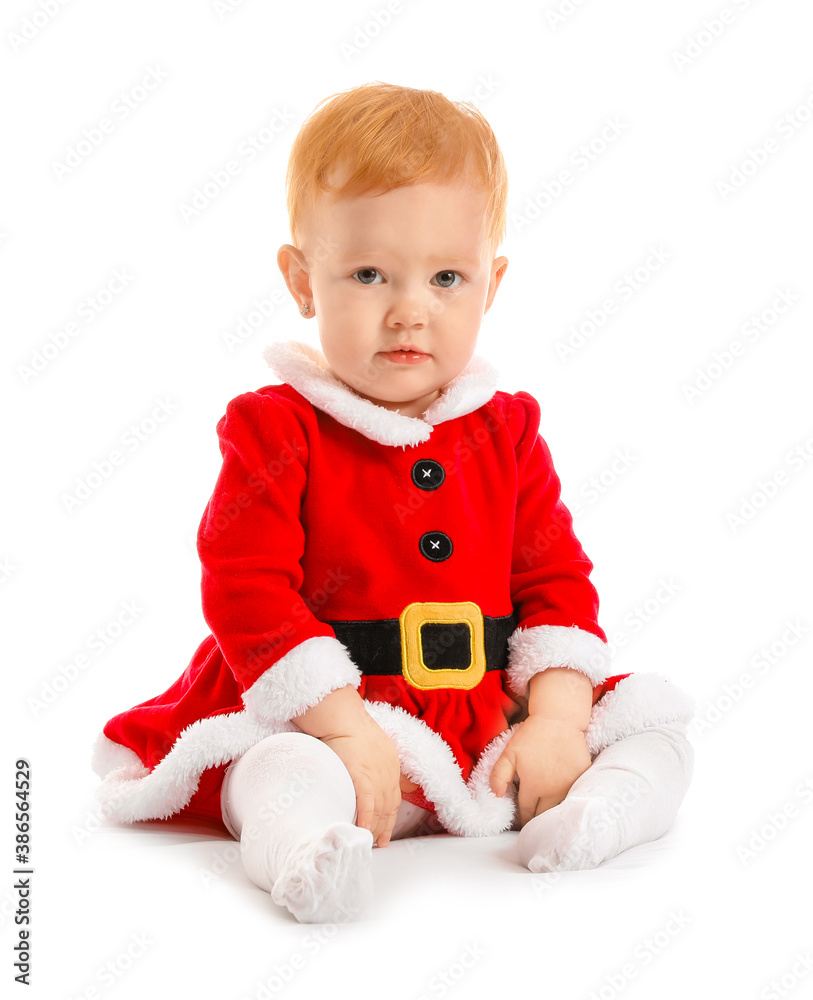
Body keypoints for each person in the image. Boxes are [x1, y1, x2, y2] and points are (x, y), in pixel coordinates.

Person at [92, 81, 695, 924]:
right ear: (303, 280)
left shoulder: (507, 430)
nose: (409, 311)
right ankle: (303, 850)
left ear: (491, 285)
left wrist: (556, 718)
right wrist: (339, 725)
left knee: (652, 725)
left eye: (446, 277)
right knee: (279, 770)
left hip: (483, 721)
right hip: (328, 711)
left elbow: (556, 581)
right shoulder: (277, 428)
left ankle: (599, 816)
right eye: (368, 273)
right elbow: (245, 587)